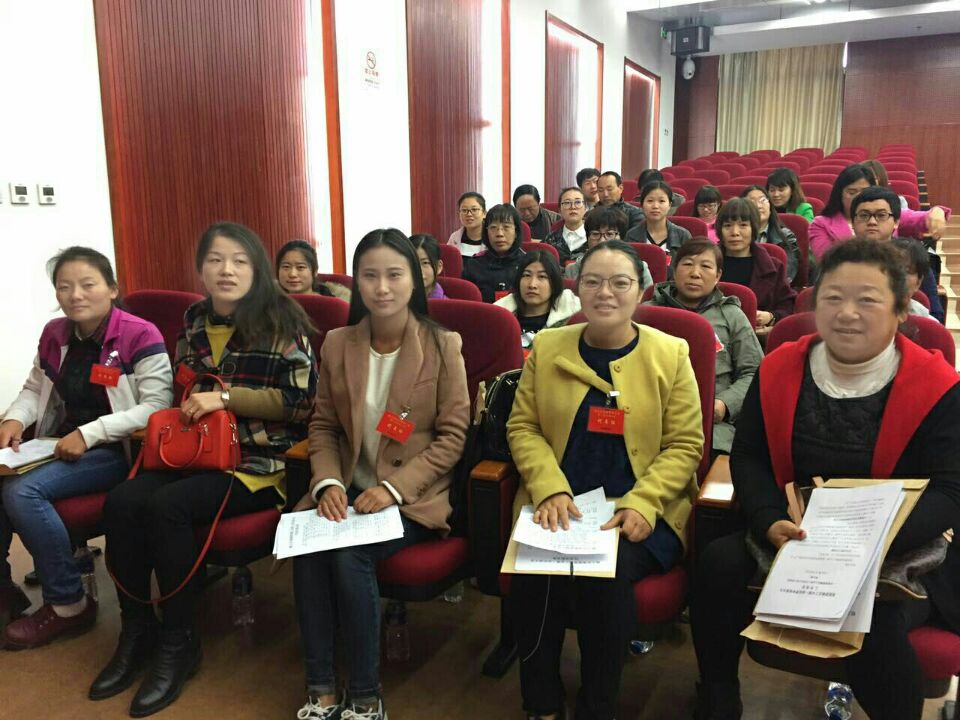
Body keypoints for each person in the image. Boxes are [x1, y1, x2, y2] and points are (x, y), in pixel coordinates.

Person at [689, 238, 960, 720]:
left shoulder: (937, 386)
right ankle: (717, 693)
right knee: (717, 564)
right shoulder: (780, 367)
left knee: (876, 618)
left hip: (893, 545)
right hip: (796, 532)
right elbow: (748, 456)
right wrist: (768, 518)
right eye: (833, 297)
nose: (847, 313)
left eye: (867, 300)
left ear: (901, 310)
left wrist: (870, 545)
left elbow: (950, 490)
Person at [93, 222, 317, 716]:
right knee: (122, 500)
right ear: (201, 268)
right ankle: (137, 631)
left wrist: (227, 398)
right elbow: (183, 386)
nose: (226, 270)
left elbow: (303, 403)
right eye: (215, 260)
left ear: (257, 268)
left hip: (258, 463)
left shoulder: (282, 321)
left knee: (168, 506)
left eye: (239, 260)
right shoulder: (194, 319)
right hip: (194, 452)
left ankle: (180, 641)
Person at [507, 240, 704, 720]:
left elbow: (685, 445)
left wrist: (643, 502)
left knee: (606, 578)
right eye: (592, 282)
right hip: (560, 502)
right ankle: (542, 705)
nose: (605, 293)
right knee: (535, 576)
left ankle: (597, 706)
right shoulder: (549, 346)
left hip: (640, 508)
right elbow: (523, 427)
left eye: (620, 282)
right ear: (577, 288)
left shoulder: (670, 353)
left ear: (641, 290)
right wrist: (549, 487)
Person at [293, 228, 470, 720]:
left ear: (414, 279)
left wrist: (392, 489)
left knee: (350, 555)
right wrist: (328, 483)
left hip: (412, 497)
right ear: (357, 282)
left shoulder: (442, 345)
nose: (382, 287)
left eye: (395, 274)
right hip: (348, 488)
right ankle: (321, 686)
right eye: (369, 276)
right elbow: (324, 427)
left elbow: (453, 437)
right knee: (309, 552)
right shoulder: (337, 344)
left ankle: (366, 695)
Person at [0, 247, 172, 648]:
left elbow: (157, 407)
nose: (75, 295)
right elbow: (35, 389)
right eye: (65, 287)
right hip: (57, 444)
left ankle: (67, 603)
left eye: (87, 284)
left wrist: (91, 433)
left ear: (112, 288)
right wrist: (14, 420)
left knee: (22, 491)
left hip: (116, 451)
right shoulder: (56, 334)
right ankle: (4, 593)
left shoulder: (139, 334)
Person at [645, 239, 762, 455]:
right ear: (674, 270)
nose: (695, 273)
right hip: (648, 417)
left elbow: (755, 372)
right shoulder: (647, 313)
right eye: (687, 264)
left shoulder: (731, 315)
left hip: (711, 423)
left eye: (706, 266)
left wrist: (724, 404)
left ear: (718, 276)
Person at [809, 163, 949, 261]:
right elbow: (827, 262)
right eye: (851, 192)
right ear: (839, 194)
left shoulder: (887, 215)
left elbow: (921, 218)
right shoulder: (821, 224)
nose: (858, 197)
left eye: (864, 191)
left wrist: (936, 212)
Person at [850, 185, 945, 323]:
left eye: (881, 215)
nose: (872, 222)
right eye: (864, 215)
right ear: (852, 222)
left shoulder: (911, 261)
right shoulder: (838, 262)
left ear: (896, 222)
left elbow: (936, 316)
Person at [716, 198, 796, 336]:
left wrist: (771, 317)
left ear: (754, 228)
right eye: (727, 225)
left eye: (743, 225)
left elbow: (788, 306)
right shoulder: (707, 263)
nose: (735, 232)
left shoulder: (774, 267)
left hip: (756, 337)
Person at [495, 250, 581, 351]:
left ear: (554, 283)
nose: (532, 285)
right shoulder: (499, 318)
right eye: (527, 275)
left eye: (542, 277)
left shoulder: (570, 322)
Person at [564, 207, 653, 290]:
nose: (602, 241)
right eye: (595, 234)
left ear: (621, 238)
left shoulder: (640, 268)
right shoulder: (573, 270)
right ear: (587, 238)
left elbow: (648, 299)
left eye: (610, 234)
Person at [462, 203, 526, 303]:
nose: (499, 234)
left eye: (506, 227)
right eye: (493, 227)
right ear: (486, 232)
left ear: (516, 232)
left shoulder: (528, 264)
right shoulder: (473, 265)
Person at [625, 180, 693, 268]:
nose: (655, 206)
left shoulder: (683, 236)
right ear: (642, 204)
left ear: (669, 205)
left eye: (661, 201)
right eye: (650, 201)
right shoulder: (631, 236)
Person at [741, 186, 800, 283]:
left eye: (762, 200)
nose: (758, 206)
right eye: (751, 202)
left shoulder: (785, 236)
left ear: (770, 206)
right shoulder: (735, 236)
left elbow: (788, 275)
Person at [276, 240, 350, 301]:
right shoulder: (272, 303)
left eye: (300, 267)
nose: (292, 274)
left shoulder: (332, 305)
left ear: (315, 271)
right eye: (286, 267)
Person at [543, 187, 587, 265]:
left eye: (577, 202)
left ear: (585, 208)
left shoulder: (595, 237)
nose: (573, 207)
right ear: (559, 210)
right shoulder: (550, 239)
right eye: (567, 203)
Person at [892, 237, 932, 318]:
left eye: (908, 271)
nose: (900, 275)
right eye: (894, 268)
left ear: (918, 282)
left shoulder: (926, 322)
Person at [447, 192, 487, 257]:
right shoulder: (454, 238)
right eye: (464, 210)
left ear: (484, 213)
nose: (469, 214)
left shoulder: (492, 237)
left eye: (474, 209)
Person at [409, 233, 446, 299]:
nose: (418, 270)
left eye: (425, 263)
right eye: (412, 263)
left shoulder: (446, 305)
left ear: (439, 267)